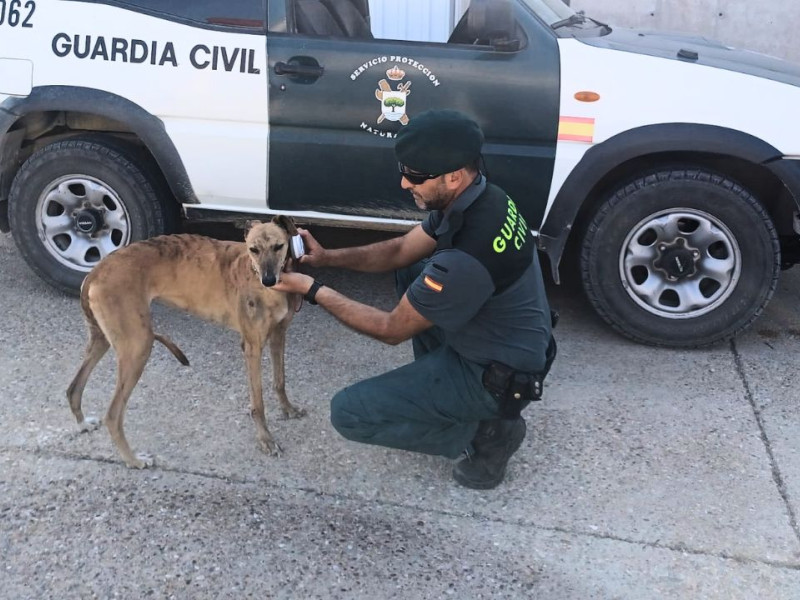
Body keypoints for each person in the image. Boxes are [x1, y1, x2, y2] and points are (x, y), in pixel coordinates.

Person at [273, 109, 555, 489]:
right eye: (404, 170)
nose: (405, 183)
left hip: (497, 376)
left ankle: (487, 435)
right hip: (506, 338)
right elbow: (402, 250)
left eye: (416, 176)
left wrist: (312, 289)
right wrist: (327, 258)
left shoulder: (465, 257)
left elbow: (391, 329)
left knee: (349, 413)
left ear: (453, 175)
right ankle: (448, 399)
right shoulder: (482, 197)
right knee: (412, 271)